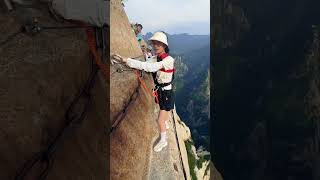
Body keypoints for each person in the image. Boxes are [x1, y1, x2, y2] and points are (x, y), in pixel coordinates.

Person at [113, 31, 175, 152]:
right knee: (164, 108)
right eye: (154, 43)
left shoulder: (168, 60)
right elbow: (144, 64)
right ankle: (165, 123)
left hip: (166, 92)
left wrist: (129, 61)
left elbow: (149, 67)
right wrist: (124, 60)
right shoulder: (156, 58)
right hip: (163, 91)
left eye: (159, 44)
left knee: (160, 120)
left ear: (164, 46)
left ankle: (163, 140)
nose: (156, 46)